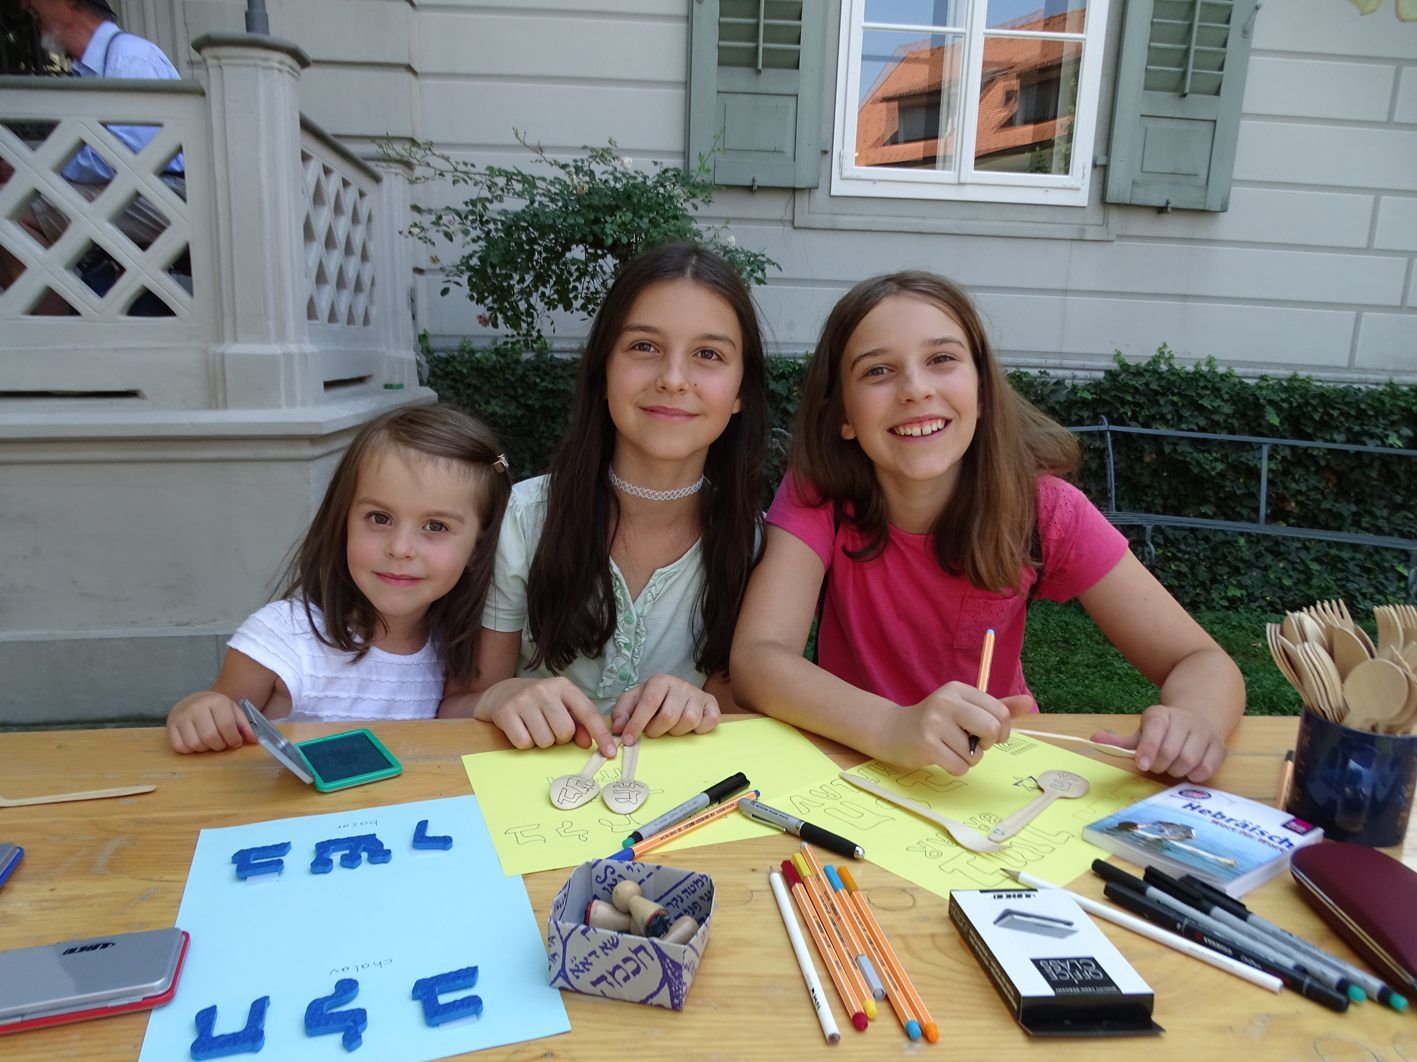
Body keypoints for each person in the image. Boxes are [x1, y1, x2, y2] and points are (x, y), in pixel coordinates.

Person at [729, 271, 1244, 782]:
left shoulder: (1047, 511)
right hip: (854, 768)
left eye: (941, 359)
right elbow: (757, 660)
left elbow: (1200, 660)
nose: (915, 389)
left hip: (992, 778)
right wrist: (893, 726)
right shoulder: (818, 494)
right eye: (878, 371)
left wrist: (1195, 722)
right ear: (843, 414)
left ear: (982, 389)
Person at [440, 242, 769, 760]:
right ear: (603, 369)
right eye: (644, 346)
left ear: (740, 392)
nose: (674, 379)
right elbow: (456, 706)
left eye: (708, 355)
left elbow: (744, 716)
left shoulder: (753, 540)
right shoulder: (524, 519)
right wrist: (503, 696)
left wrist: (704, 704)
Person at [166, 405, 511, 754]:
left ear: (479, 548)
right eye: (379, 518)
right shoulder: (281, 636)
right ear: (342, 520)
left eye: (436, 526)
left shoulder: (452, 651)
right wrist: (195, 711)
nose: (400, 548)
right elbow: (211, 714)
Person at [0, 0, 185, 309]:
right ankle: (66, 315)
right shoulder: (96, 67)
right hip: (135, 193)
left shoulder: (131, 56)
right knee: (12, 204)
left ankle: (57, 329)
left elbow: (129, 154)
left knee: (7, 206)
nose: (25, 10)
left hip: (163, 195)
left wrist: (36, 173)